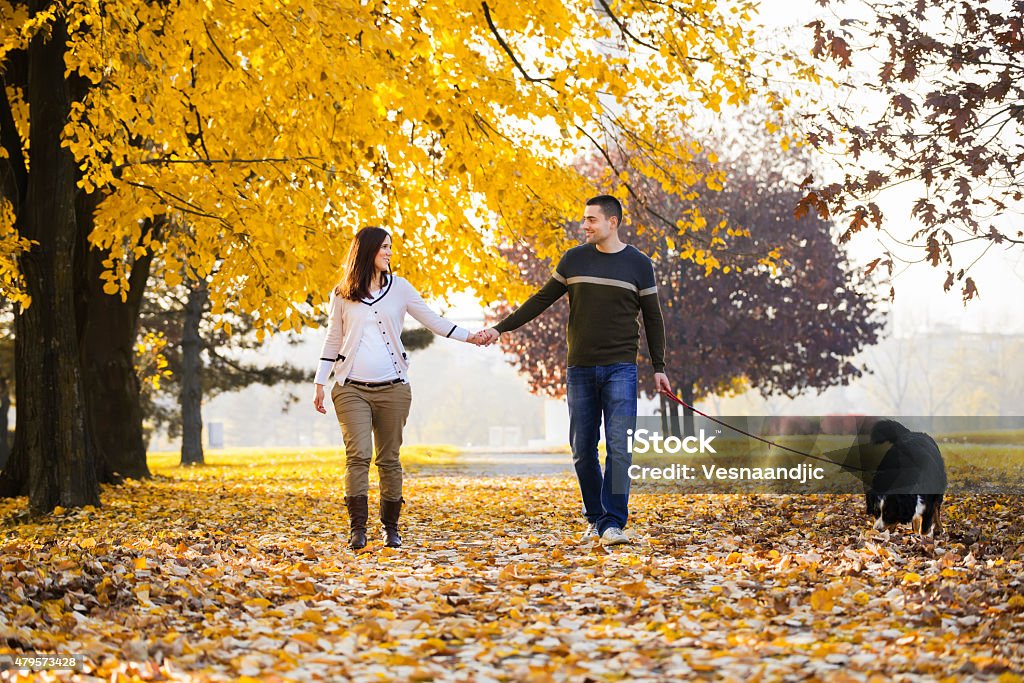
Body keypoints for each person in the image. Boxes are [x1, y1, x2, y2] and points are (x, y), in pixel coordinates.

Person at [478, 195, 670, 546]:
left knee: (619, 448)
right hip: (580, 368)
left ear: (613, 222)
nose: (585, 225)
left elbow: (653, 318)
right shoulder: (574, 260)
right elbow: (540, 300)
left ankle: (613, 522)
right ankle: (596, 518)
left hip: (620, 369)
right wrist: (500, 329)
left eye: (591, 220)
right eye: (584, 219)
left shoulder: (639, 264)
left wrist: (659, 366)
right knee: (582, 449)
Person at [314, 226, 486, 549]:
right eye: (383, 248)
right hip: (351, 388)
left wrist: (471, 336)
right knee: (358, 456)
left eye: (390, 247)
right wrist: (320, 381)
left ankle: (391, 528)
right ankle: (357, 529)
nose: (389, 253)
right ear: (366, 251)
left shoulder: (401, 289)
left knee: (389, 459)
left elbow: (433, 320)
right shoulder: (341, 294)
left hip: (393, 388)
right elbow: (333, 338)